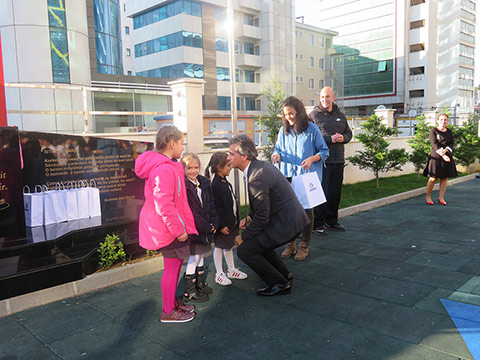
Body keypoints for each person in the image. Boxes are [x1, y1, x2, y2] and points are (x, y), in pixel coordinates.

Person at [228, 135, 310, 296]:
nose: (227, 157)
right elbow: (265, 204)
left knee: (244, 250)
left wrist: (243, 236)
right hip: (291, 219)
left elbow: (263, 217)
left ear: (244, 156)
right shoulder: (259, 167)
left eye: (231, 154)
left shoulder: (256, 176)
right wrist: (251, 216)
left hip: (286, 224)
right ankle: (284, 275)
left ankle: (280, 283)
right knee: (259, 243)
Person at [135, 125, 197, 323]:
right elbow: (165, 204)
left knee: (175, 264)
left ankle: (172, 303)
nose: (182, 147)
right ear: (172, 143)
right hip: (168, 229)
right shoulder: (164, 169)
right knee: (172, 267)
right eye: (181, 143)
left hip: (168, 227)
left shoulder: (167, 166)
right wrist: (179, 229)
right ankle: (168, 310)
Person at [272, 96, 329, 261]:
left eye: (291, 113)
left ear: (299, 112)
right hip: (287, 176)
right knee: (288, 212)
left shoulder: (312, 129)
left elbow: (324, 151)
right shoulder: (284, 131)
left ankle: (305, 245)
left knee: (306, 211)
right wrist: (276, 154)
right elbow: (278, 149)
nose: (288, 117)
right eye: (285, 114)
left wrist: (311, 159)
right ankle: (290, 244)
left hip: (305, 177)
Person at [309, 86, 352, 235]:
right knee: (321, 193)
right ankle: (318, 224)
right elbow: (310, 138)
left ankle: (332, 221)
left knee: (335, 193)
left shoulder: (341, 115)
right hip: (322, 162)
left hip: (338, 160)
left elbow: (349, 134)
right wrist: (329, 139)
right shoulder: (313, 115)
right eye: (322, 97)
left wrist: (343, 138)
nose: (324, 100)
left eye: (327, 97)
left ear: (333, 97)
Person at [205, 152, 248, 285]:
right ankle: (219, 273)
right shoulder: (216, 185)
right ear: (219, 167)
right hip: (223, 225)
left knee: (228, 246)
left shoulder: (224, 181)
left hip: (230, 223)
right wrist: (221, 225)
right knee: (219, 247)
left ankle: (231, 269)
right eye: (228, 165)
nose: (230, 168)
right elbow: (216, 207)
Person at [181, 153, 219, 302]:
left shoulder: (203, 183)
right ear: (183, 169)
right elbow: (191, 212)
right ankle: (190, 290)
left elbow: (211, 205)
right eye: (189, 168)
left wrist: (214, 223)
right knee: (194, 256)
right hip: (195, 229)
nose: (193, 171)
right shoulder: (184, 186)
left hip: (206, 227)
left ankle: (200, 283)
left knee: (202, 254)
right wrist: (205, 227)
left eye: (196, 167)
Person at [423, 113, 457, 205]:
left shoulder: (449, 131)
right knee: (433, 178)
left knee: (444, 178)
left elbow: (451, 143)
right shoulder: (433, 131)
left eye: (445, 120)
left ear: (447, 121)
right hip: (436, 156)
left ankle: (441, 197)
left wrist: (446, 151)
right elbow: (434, 144)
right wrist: (443, 155)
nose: (443, 121)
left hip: (447, 155)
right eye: (441, 119)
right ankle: (428, 196)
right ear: (437, 120)